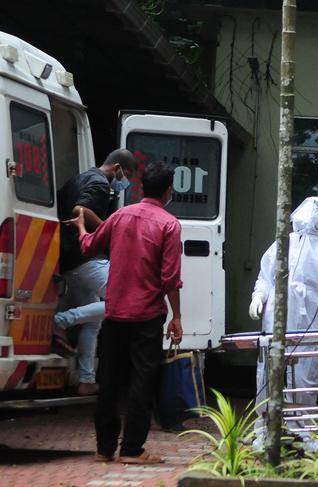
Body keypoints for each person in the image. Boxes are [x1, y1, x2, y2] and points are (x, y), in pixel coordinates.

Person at [66, 161, 183, 464]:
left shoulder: (120, 215)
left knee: (109, 381)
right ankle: (132, 449)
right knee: (142, 382)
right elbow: (170, 278)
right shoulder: (169, 224)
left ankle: (104, 448)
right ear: (168, 191)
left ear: (142, 188)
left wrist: (80, 228)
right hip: (147, 315)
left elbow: (90, 246)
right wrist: (177, 317)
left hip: (115, 313)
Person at [249, 197, 318, 450]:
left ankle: (302, 429)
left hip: (309, 316)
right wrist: (258, 297)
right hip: (276, 313)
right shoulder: (283, 243)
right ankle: (264, 428)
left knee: (307, 372)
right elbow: (265, 276)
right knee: (269, 371)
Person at [55, 149, 136, 396]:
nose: (125, 181)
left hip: (68, 258)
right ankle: (60, 321)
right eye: (127, 174)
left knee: (93, 320)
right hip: (86, 258)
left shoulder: (77, 178)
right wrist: (109, 231)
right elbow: (81, 210)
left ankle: (87, 380)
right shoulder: (100, 184)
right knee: (123, 298)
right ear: (117, 167)